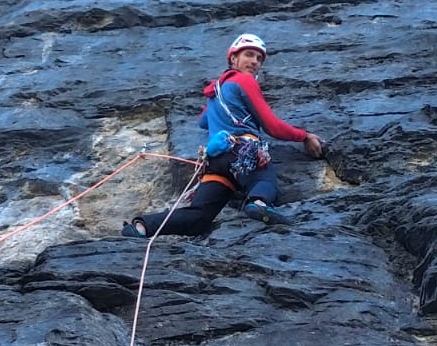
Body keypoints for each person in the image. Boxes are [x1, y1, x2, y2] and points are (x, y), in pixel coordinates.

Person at [123, 33, 324, 238]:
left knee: (199, 217)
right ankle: (258, 203)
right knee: (264, 180)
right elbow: (271, 126)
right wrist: (304, 136)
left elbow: (203, 121)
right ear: (233, 58)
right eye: (249, 55)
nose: (255, 61)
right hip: (241, 151)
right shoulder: (244, 81)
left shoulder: (215, 91)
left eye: (259, 58)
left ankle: (142, 227)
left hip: (216, 161)